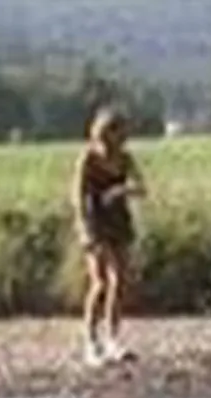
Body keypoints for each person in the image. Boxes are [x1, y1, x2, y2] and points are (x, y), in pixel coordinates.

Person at [71, 107, 147, 366]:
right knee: (100, 282)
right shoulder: (88, 158)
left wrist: (121, 190)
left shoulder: (125, 159)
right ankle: (90, 342)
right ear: (106, 132)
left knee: (120, 281)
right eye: (119, 130)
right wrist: (86, 231)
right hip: (95, 223)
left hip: (119, 222)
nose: (124, 136)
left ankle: (113, 339)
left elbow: (141, 187)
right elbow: (77, 197)